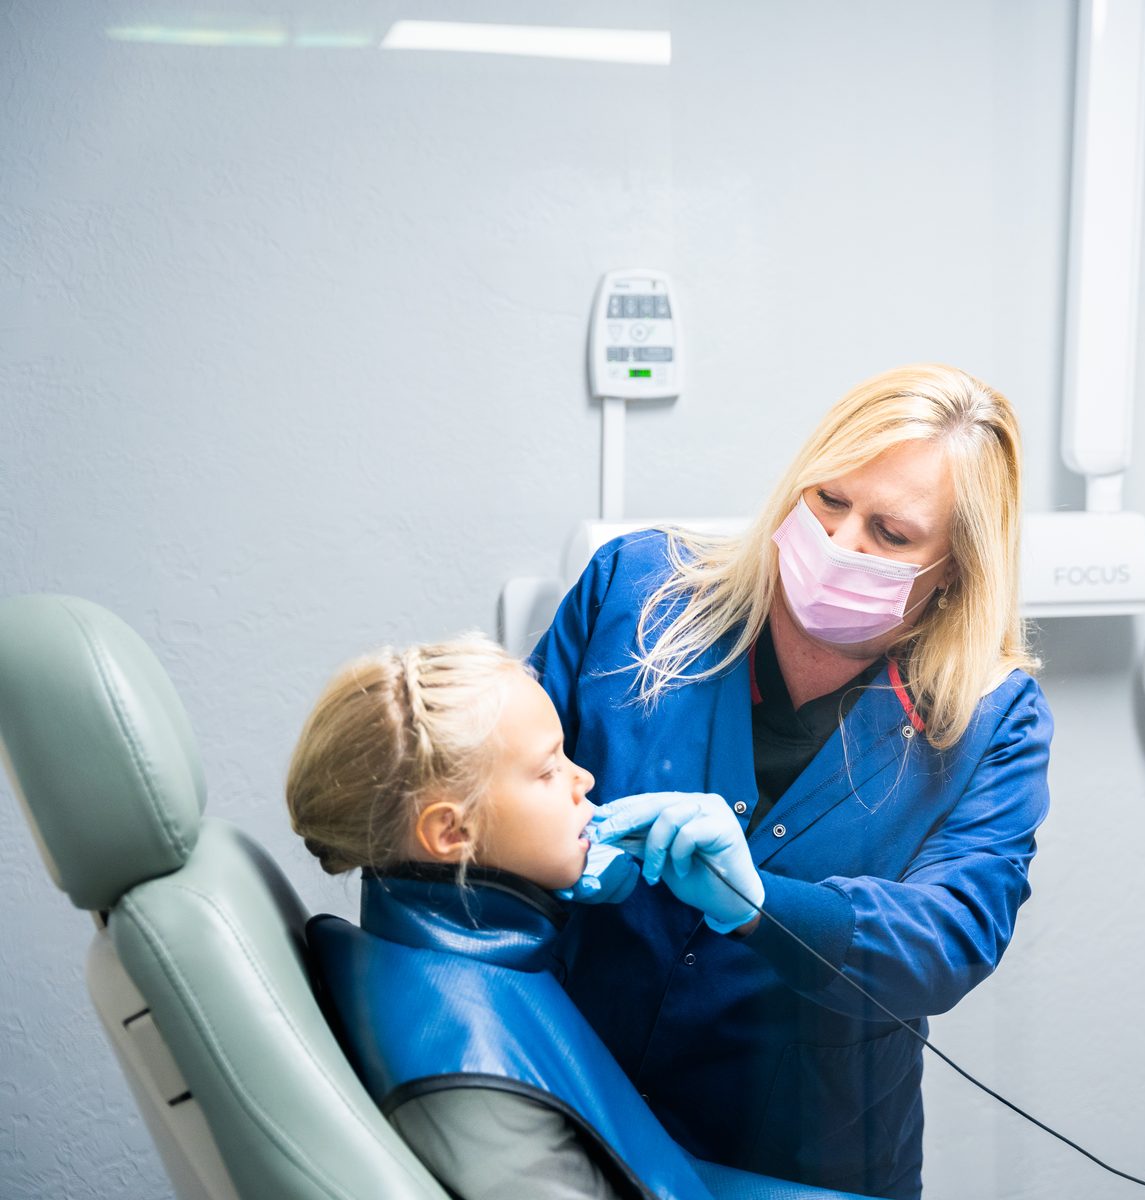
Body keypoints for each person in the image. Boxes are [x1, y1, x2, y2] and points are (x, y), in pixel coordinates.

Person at [531, 362, 1054, 1198]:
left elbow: (953, 934)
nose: (841, 544)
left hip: (801, 1162)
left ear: (954, 567)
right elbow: (498, 780)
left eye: (892, 535)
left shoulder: (992, 720)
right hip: (568, 1117)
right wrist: (550, 854)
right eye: (829, 502)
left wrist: (767, 909)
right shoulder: (635, 593)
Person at [286, 636, 677, 1200]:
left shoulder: (465, 963)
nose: (584, 780)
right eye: (548, 771)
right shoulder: (468, 1066)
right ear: (452, 833)